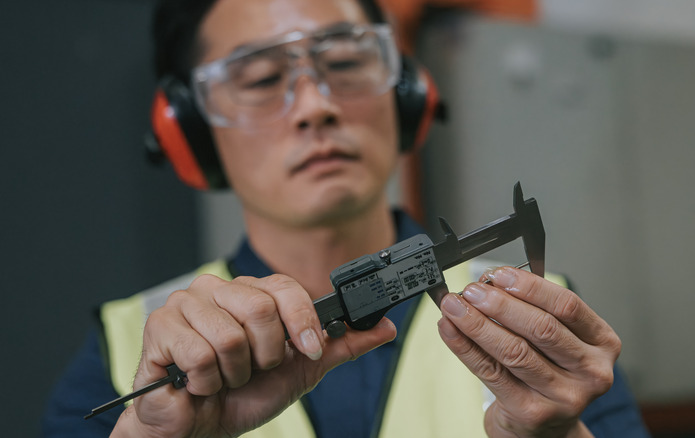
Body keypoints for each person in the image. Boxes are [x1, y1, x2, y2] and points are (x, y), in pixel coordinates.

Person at [43, 0, 650, 436]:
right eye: (259, 78)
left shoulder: (544, 329)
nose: (315, 105)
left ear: (406, 93)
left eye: (345, 61)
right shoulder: (121, 354)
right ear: (194, 134)